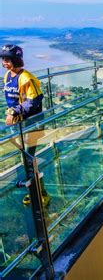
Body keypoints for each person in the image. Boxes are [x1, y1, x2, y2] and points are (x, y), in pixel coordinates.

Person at [0, 45, 49, 206]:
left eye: (7, 59)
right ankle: (35, 190)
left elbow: (35, 100)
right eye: (3, 59)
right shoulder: (8, 76)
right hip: (19, 124)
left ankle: (40, 193)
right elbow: (12, 99)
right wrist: (12, 113)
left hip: (32, 124)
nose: (4, 63)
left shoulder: (26, 77)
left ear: (15, 60)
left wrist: (14, 112)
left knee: (28, 158)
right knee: (26, 159)